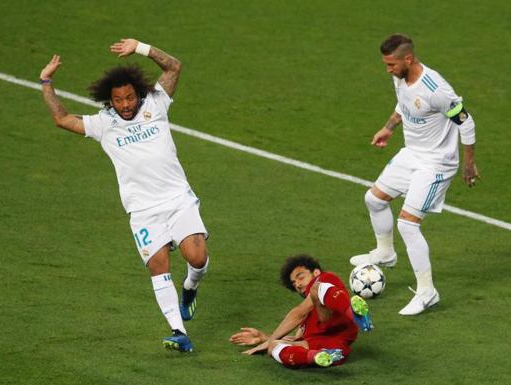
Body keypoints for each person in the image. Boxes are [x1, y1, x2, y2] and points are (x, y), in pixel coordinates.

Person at [39, 38, 209, 352]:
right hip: (143, 212)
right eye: (119, 100)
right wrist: (46, 81)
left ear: (138, 94)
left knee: (196, 258)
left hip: (177, 200)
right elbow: (62, 119)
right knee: (158, 268)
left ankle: (190, 288)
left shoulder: (156, 103)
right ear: (110, 101)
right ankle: (178, 331)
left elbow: (174, 66)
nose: (126, 105)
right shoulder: (104, 124)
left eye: (130, 97)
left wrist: (142, 48)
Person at [350, 33, 480, 316]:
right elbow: (403, 103)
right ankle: (385, 253)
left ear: (408, 59)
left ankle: (427, 292)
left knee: (408, 225)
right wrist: (389, 127)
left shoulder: (436, 89)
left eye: (391, 64)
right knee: (373, 199)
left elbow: (466, 122)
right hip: (412, 154)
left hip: (436, 164)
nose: (388, 70)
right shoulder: (400, 77)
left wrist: (469, 164)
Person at [229, 255, 372, 368]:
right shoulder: (307, 318)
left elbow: (297, 313)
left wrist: (269, 340)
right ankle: (316, 357)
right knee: (274, 347)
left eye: (300, 276)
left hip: (338, 322)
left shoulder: (326, 278)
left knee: (316, 288)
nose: (297, 284)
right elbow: (297, 340)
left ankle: (354, 313)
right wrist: (264, 338)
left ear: (315, 272)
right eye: (293, 283)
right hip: (334, 351)